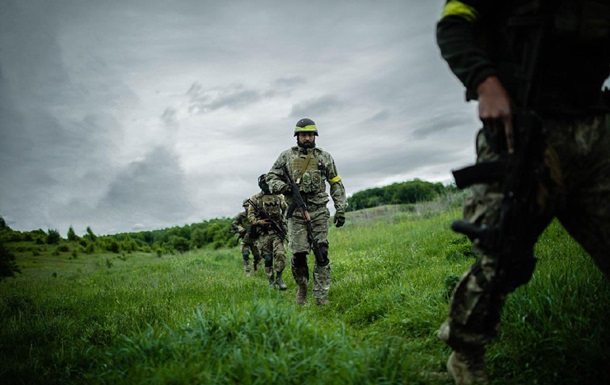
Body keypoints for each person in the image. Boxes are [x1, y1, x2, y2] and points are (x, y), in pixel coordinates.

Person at [435, 1, 610, 384]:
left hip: (597, 128)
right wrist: (485, 81)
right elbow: (453, 26)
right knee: (501, 256)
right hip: (521, 131)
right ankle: (465, 354)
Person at [267, 118, 347, 306]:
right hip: (295, 214)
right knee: (299, 254)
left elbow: (335, 183)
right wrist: (285, 187)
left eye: (310, 134)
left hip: (319, 211)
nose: (307, 138)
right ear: (297, 136)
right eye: (303, 135)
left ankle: (320, 295)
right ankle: (302, 289)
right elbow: (269, 178)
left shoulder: (324, 157)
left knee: (322, 252)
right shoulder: (286, 156)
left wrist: (340, 208)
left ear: (315, 136)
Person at [247, 174, 289, 289]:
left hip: (277, 232)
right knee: (268, 258)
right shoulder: (255, 199)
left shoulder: (279, 197)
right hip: (263, 234)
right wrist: (258, 222)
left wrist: (284, 223)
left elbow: (286, 210)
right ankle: (271, 280)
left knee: (280, 254)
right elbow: (250, 215)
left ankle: (279, 278)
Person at [230, 199, 261, 276]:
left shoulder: (256, 214)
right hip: (245, 238)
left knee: (257, 256)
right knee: (245, 254)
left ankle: (256, 268)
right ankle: (247, 271)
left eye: (248, 205)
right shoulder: (241, 215)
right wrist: (239, 227)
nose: (247, 207)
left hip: (255, 238)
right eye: (245, 206)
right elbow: (233, 224)